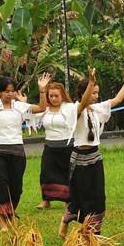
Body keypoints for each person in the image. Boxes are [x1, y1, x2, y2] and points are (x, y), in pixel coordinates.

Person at [60, 64, 124, 237]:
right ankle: (67, 219)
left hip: (95, 157)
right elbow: (83, 103)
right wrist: (91, 82)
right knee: (79, 197)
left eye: (97, 92)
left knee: (97, 197)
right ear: (83, 92)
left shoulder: (97, 109)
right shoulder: (74, 109)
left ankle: (92, 234)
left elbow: (118, 99)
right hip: (79, 158)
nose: (96, 96)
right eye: (93, 92)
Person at [0, 70, 35, 231]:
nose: (10, 94)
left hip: (17, 152)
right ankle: (3, 221)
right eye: (7, 91)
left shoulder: (20, 107)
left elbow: (41, 108)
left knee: (16, 188)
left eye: (12, 91)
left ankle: (10, 214)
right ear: (0, 92)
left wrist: (43, 90)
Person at [30, 74, 78, 209]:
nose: (54, 99)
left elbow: (81, 107)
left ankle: (68, 200)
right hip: (50, 146)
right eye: (51, 96)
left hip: (67, 146)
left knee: (67, 173)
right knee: (45, 173)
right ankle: (46, 200)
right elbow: (31, 112)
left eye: (56, 96)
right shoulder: (45, 108)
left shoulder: (69, 107)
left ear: (62, 95)